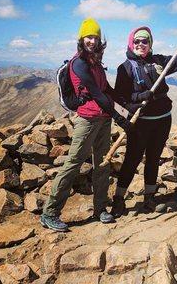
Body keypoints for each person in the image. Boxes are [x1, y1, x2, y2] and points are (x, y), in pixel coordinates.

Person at [41, 17, 132, 232]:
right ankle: (50, 213)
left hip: (103, 119)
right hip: (88, 120)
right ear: (81, 38)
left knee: (102, 163)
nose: (92, 40)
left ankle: (100, 209)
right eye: (88, 36)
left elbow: (107, 90)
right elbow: (97, 94)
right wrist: (120, 119)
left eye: (95, 37)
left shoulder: (95, 62)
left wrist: (127, 109)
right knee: (73, 163)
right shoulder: (79, 63)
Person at [111, 26, 177, 216]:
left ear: (150, 44)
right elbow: (120, 99)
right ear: (131, 43)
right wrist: (140, 96)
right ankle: (118, 199)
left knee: (154, 158)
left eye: (145, 41)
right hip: (141, 123)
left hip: (163, 119)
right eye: (137, 41)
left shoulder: (158, 61)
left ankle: (149, 197)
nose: (141, 44)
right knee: (132, 159)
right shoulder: (124, 68)